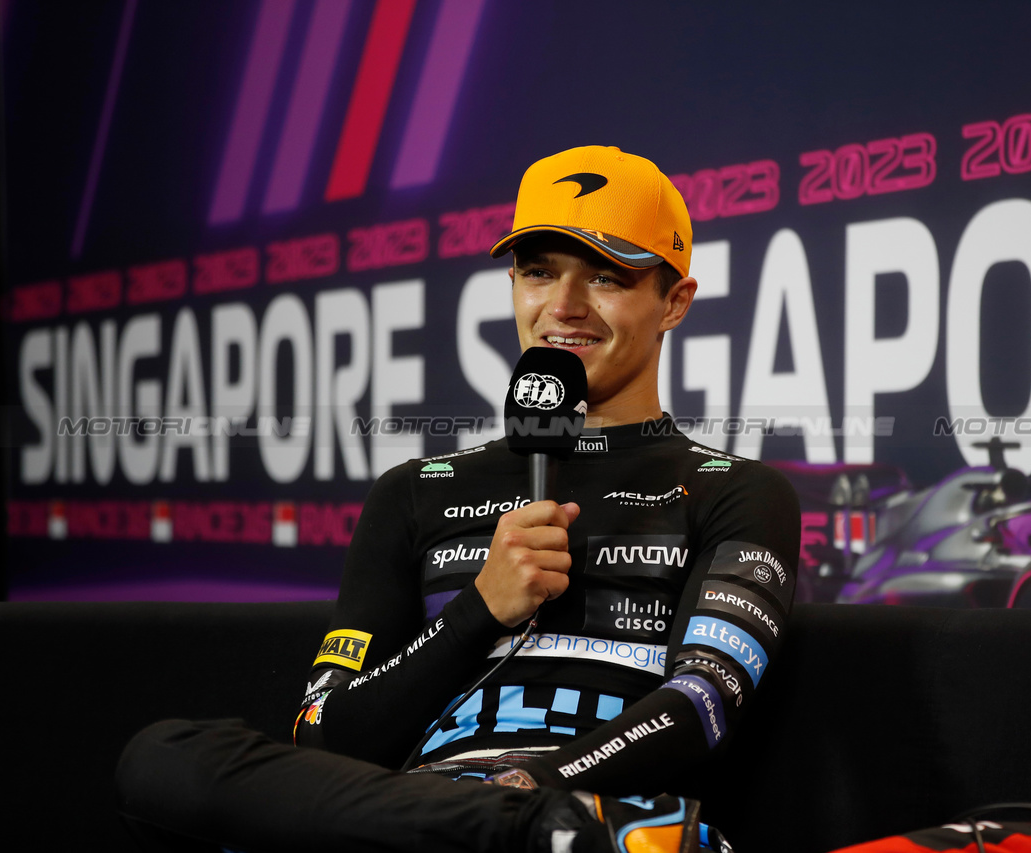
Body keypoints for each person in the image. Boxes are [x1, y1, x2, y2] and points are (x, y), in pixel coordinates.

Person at [116, 145, 800, 853]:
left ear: (674, 303)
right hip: (432, 812)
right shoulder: (415, 490)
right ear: (512, 283)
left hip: (589, 804)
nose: (563, 306)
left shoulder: (737, 489)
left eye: (605, 276)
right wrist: (479, 610)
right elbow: (325, 729)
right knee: (163, 756)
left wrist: (535, 782)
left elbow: (703, 703)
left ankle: (543, 832)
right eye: (538, 272)